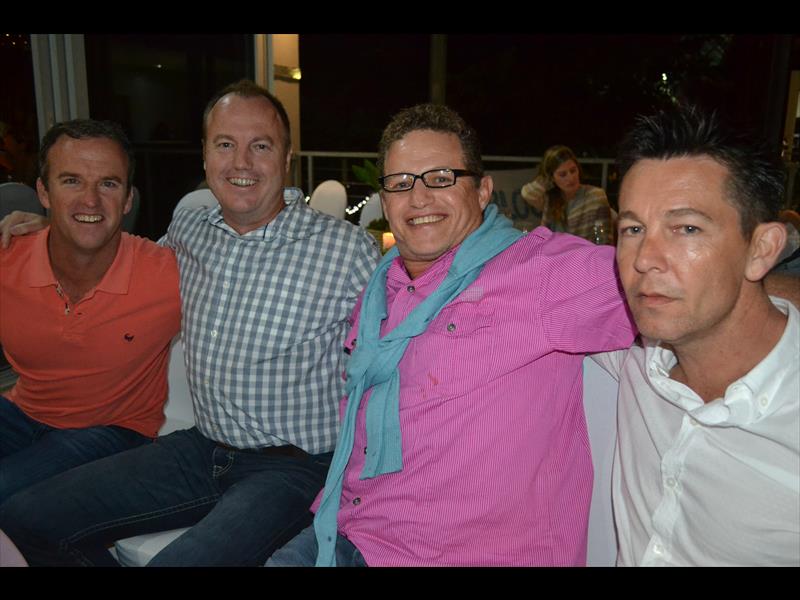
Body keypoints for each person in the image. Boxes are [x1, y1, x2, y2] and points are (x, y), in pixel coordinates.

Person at [0, 80, 381, 566]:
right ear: (205, 156)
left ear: (286, 158)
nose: (241, 163)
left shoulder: (346, 251)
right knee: (26, 517)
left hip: (294, 467)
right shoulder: (189, 230)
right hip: (203, 448)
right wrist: (55, 229)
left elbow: (398, 363)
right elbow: (115, 255)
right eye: (225, 145)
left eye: (260, 146)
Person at [265, 103, 636, 567]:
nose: (419, 198)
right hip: (353, 530)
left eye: (441, 178)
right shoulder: (381, 288)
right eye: (401, 183)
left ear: (482, 191)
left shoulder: (540, 272)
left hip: (464, 553)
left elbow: (667, 282)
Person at [594, 106, 799, 566]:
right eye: (633, 229)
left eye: (686, 228)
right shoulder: (634, 361)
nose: (645, 258)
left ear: (762, 249)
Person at [0, 119, 181, 504]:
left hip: (114, 430)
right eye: (71, 181)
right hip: (20, 412)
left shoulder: (167, 274)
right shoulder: (8, 258)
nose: (90, 201)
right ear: (43, 192)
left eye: (108, 184)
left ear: (128, 199)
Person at [521, 145, 613, 244]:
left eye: (573, 170)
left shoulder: (595, 196)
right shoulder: (551, 198)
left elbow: (605, 240)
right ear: (552, 178)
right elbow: (527, 193)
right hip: (555, 251)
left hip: (585, 252)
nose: (571, 178)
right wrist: (547, 180)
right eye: (562, 174)